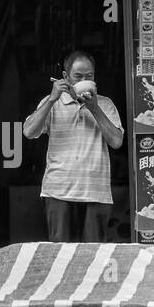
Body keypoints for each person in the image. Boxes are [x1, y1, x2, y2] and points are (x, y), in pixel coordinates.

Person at [22, 50, 124, 243]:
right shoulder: (51, 103)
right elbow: (29, 131)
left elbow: (116, 141)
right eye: (78, 76)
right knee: (61, 257)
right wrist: (52, 98)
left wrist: (94, 107)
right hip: (58, 191)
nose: (84, 80)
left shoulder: (105, 104)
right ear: (65, 77)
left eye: (89, 76)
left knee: (93, 257)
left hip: (96, 192)